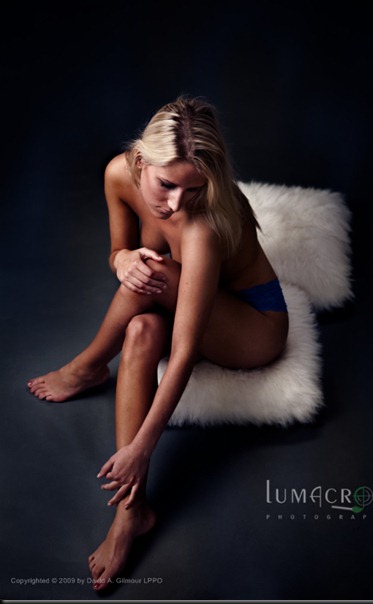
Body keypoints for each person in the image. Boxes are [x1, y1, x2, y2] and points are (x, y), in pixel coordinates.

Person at [27, 96, 289, 591]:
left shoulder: (201, 225)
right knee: (141, 330)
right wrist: (122, 260)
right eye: (166, 184)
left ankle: (87, 366)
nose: (175, 203)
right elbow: (117, 252)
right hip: (189, 294)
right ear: (141, 160)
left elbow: (184, 352)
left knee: (154, 273)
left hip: (253, 325)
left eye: (195, 188)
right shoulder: (118, 174)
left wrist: (143, 449)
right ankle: (133, 513)